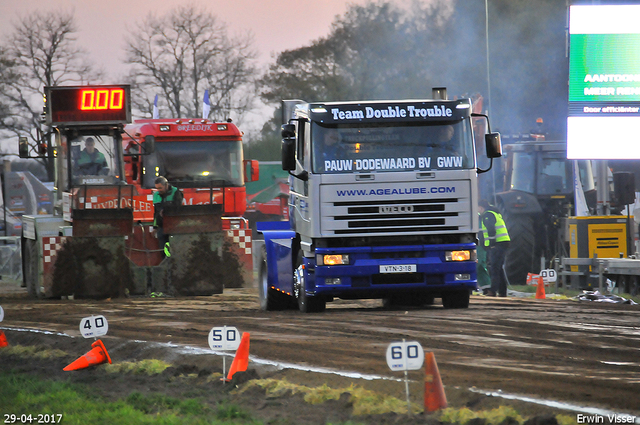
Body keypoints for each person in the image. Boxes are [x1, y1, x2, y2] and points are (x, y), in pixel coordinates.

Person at [479, 199, 510, 297]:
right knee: (499, 268)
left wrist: (491, 244)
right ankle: (502, 291)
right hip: (502, 243)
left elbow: (491, 230)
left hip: (498, 244)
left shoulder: (488, 214)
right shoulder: (494, 212)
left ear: (480, 207)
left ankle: (492, 291)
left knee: (494, 268)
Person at [153, 176, 184, 258]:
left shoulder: (176, 192)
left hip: (173, 226)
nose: (159, 190)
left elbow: (177, 208)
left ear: (166, 185)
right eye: (157, 188)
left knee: (174, 248)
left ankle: (173, 262)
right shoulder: (156, 195)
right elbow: (156, 212)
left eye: (160, 188)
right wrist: (155, 227)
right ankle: (166, 263)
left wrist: (165, 209)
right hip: (162, 226)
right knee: (163, 249)